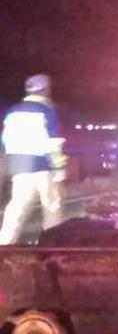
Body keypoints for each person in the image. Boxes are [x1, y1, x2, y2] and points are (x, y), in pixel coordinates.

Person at [1, 74, 67, 245]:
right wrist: (60, 172)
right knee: (51, 208)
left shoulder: (12, 110)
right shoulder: (46, 110)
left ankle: (4, 247)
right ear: (45, 90)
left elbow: (5, 139)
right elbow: (53, 144)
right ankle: (50, 247)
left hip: (19, 166)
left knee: (16, 209)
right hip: (43, 166)